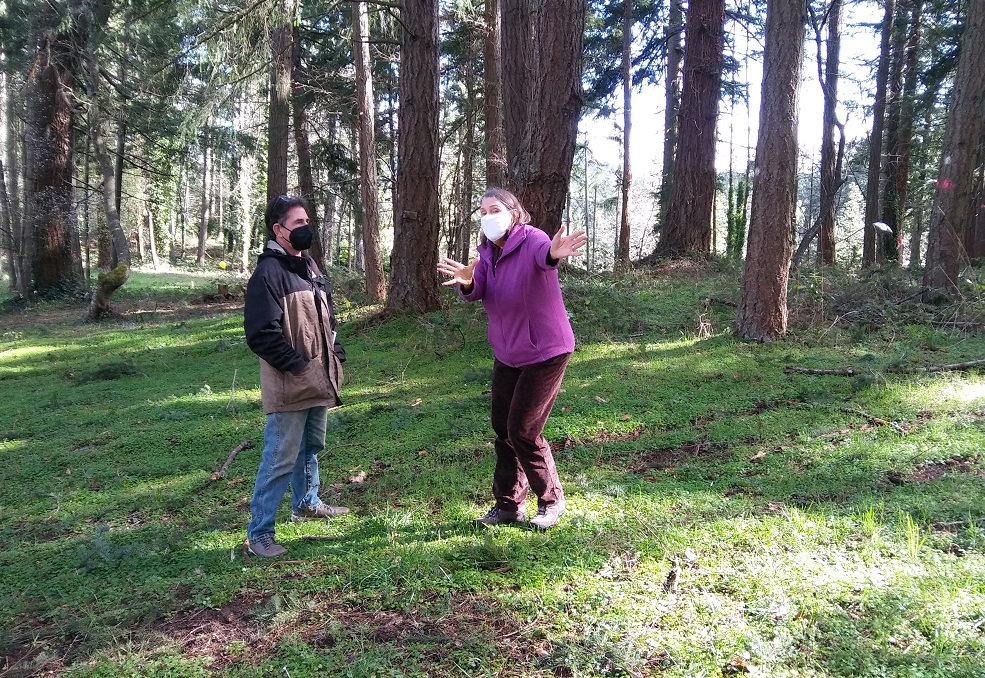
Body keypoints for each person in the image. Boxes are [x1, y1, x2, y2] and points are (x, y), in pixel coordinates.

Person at [437, 187, 587, 529]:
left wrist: (554, 253)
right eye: (483, 212)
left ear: (513, 211)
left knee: (522, 429)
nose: (488, 216)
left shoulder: (531, 239)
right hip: (508, 352)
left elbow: (544, 259)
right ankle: (507, 507)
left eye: (495, 209)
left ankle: (551, 501)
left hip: (545, 350)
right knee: (501, 428)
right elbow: (479, 292)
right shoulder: (487, 253)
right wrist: (466, 281)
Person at [243, 195, 349, 558]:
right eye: (298, 223)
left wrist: (334, 352)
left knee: (311, 448)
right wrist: (298, 365)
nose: (306, 228)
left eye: (307, 221)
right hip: (291, 383)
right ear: (278, 230)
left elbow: (325, 318)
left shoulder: (309, 267)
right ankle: (259, 534)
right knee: (279, 458)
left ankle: (306, 502)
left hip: (320, 378)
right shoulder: (268, 274)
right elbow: (261, 334)